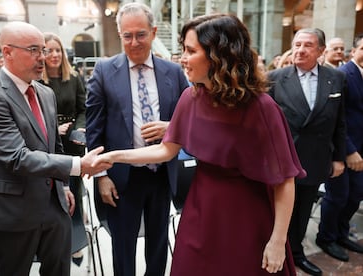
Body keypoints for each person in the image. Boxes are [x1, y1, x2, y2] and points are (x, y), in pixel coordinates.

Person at [92, 13, 306, 275]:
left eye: (190, 50)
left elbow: (285, 180)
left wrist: (277, 240)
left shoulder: (262, 108)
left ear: (218, 56)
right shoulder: (191, 97)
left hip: (245, 214)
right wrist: (115, 157)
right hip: (200, 209)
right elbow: (166, 148)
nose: (182, 58)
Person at [0, 21, 109, 276]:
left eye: (43, 49)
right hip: (12, 209)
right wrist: (78, 166)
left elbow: (52, 144)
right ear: (7, 52)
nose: (43, 57)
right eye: (34, 50)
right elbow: (16, 158)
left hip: (54, 205)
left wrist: (63, 185)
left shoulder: (45, 93)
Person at [85, 2, 189, 275]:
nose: (134, 42)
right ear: (120, 34)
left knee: (158, 243)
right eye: (127, 35)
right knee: (123, 244)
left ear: (153, 32)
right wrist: (101, 176)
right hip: (121, 177)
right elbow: (94, 129)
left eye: (140, 34)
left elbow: (190, 118)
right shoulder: (104, 70)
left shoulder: (174, 72)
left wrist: (170, 126)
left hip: (161, 174)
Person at [268, 28, 347, 276]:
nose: (300, 50)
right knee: (276, 212)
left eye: (307, 45)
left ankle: (296, 254)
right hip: (281, 160)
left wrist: (338, 157)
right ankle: (272, 255)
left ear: (321, 51)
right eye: (297, 44)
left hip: (315, 158)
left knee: (302, 212)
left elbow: (340, 122)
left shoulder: (335, 79)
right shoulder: (275, 78)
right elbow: (264, 125)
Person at [41, 31, 87, 265]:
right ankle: (53, 241)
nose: (54, 54)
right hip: (47, 142)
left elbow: (83, 109)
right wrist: (51, 129)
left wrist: (79, 129)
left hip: (72, 142)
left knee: (75, 192)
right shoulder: (37, 80)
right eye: (48, 50)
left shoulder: (75, 78)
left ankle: (76, 240)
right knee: (52, 193)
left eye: (58, 49)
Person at [316, 33, 363, 261]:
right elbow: (338, 118)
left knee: (355, 195)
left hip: (360, 149)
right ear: (353, 52)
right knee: (338, 196)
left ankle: (341, 234)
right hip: (343, 149)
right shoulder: (344, 75)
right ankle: (326, 238)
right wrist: (349, 150)